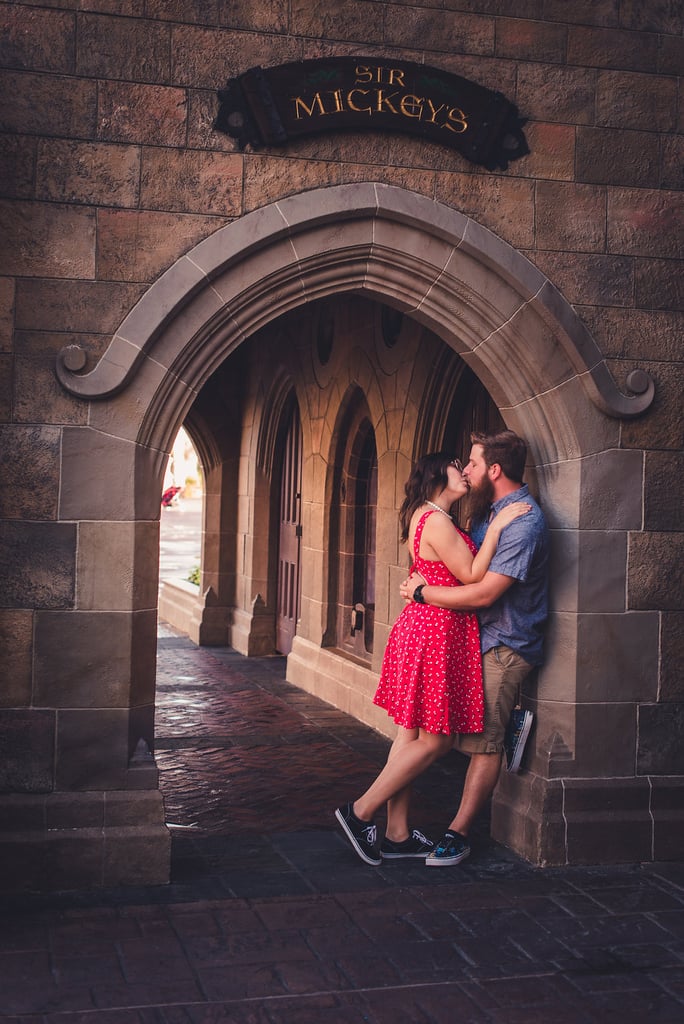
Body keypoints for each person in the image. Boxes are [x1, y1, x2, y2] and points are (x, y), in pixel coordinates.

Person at [335, 451, 530, 866]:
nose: (462, 472)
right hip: (436, 632)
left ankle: (397, 833)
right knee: (436, 739)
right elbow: (474, 576)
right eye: (456, 466)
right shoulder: (437, 520)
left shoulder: (428, 516)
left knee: (409, 735)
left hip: (426, 628)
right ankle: (360, 812)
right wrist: (496, 528)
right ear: (438, 475)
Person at [398, 430, 549, 867]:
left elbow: (484, 594)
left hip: (505, 644)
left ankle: (457, 833)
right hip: (470, 641)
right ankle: (392, 827)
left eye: (474, 463)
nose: (466, 470)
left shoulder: (522, 522)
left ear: (494, 470)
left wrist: (423, 593)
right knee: (429, 734)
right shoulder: (489, 512)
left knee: (485, 743)